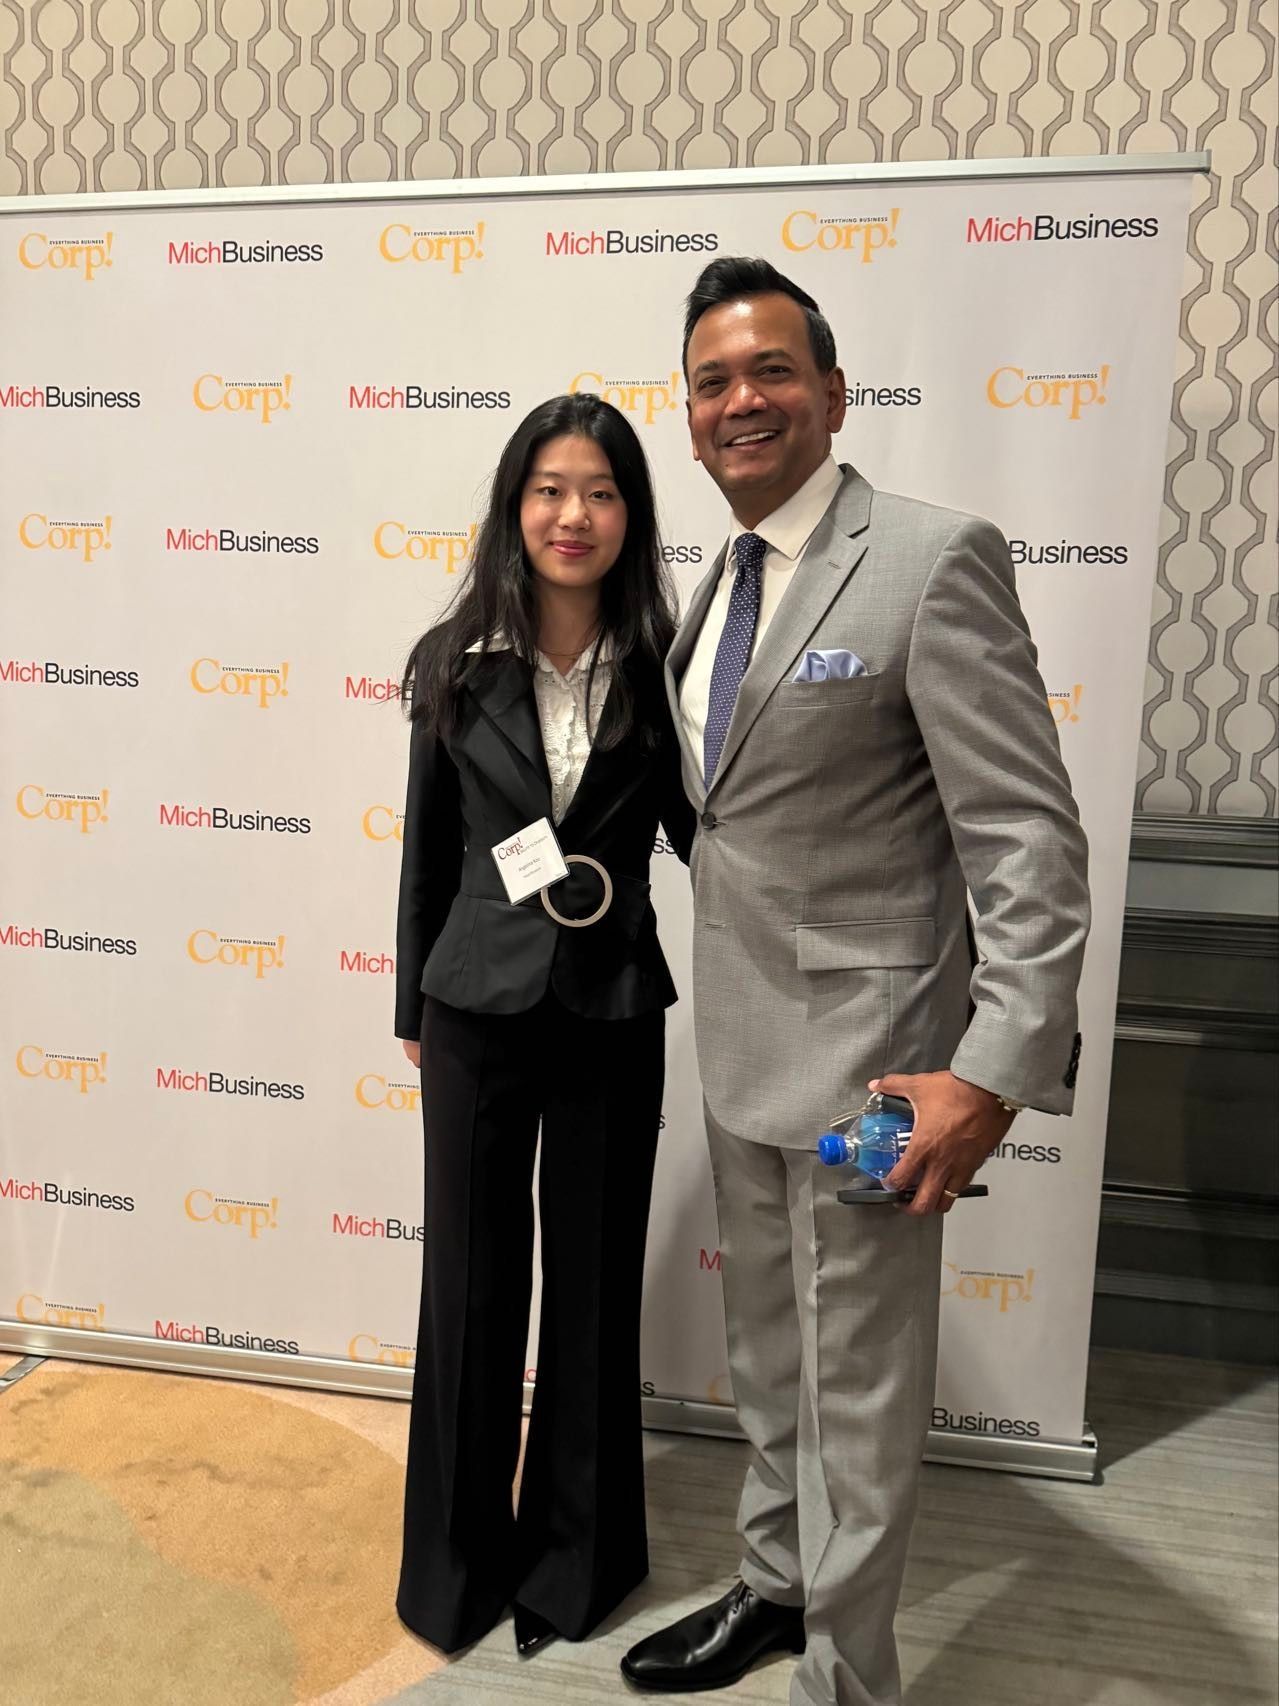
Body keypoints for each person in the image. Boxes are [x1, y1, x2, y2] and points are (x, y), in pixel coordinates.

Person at [620, 258, 1090, 1705]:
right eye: (711, 381)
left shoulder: (933, 558)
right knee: (769, 1356)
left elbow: (1023, 836)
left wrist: (989, 1071)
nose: (739, 400)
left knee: (861, 1392)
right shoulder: (716, 582)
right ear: (688, 416)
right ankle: (775, 1587)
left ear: (831, 392)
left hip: (877, 1076)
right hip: (740, 1050)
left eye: (770, 370)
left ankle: (846, 1672)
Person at [394, 393, 696, 1660]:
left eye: (602, 492)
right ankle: (454, 1567)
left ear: (632, 515)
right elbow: (428, 848)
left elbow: (713, 839)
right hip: (472, 1006)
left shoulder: (673, 666)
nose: (575, 515)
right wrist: (410, 1005)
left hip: (613, 1000)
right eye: (550, 489)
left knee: (591, 1290)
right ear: (515, 507)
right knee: (468, 1286)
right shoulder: (453, 658)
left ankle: (579, 1561)